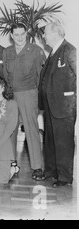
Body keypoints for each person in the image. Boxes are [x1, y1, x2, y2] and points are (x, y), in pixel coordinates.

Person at [3, 24, 46, 180]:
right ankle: (12, 163)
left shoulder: (36, 51)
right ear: (12, 36)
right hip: (10, 95)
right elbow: (5, 76)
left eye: (22, 34)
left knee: (31, 130)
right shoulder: (7, 52)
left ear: (26, 34)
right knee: (10, 130)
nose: (19, 37)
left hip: (29, 94)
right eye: (16, 34)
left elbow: (41, 77)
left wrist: (39, 98)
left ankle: (37, 167)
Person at [38, 22, 77, 187]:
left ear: (56, 33)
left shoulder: (70, 50)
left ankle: (65, 177)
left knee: (63, 142)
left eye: (45, 33)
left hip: (63, 107)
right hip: (50, 106)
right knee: (51, 140)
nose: (44, 36)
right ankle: (51, 172)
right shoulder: (53, 52)